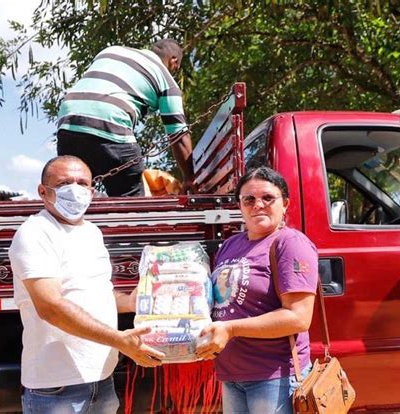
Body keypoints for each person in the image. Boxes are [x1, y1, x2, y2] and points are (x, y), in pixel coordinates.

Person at [8, 155, 164, 414]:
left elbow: (95, 290)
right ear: (43, 191)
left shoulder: (91, 232)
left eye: (82, 183)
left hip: (102, 381)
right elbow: (50, 306)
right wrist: (118, 340)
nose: (75, 190)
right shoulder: (35, 233)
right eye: (65, 182)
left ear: (92, 192)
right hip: (57, 390)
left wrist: (131, 302)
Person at [196, 166, 319, 414]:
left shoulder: (289, 243)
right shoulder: (230, 245)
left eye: (267, 198)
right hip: (231, 375)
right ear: (239, 206)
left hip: (274, 377)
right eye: (248, 199)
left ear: (285, 203)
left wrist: (230, 329)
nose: (258, 204)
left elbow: (298, 317)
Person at [57, 38, 194, 197]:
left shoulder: (111, 50)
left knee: (75, 195)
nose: (174, 71)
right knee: (130, 203)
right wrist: (189, 178)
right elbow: (178, 134)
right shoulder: (166, 80)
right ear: (173, 60)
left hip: (68, 122)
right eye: (176, 68)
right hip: (110, 123)